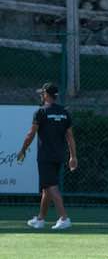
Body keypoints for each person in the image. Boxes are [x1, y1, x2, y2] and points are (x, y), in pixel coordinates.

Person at [17, 83, 77, 230]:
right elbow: (70, 137)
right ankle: (40, 219)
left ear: (46, 95)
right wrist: (73, 156)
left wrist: (23, 150)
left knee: (51, 186)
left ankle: (64, 218)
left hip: (45, 156)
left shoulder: (41, 112)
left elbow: (31, 133)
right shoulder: (64, 112)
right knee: (47, 188)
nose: (41, 95)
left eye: (42, 93)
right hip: (59, 156)